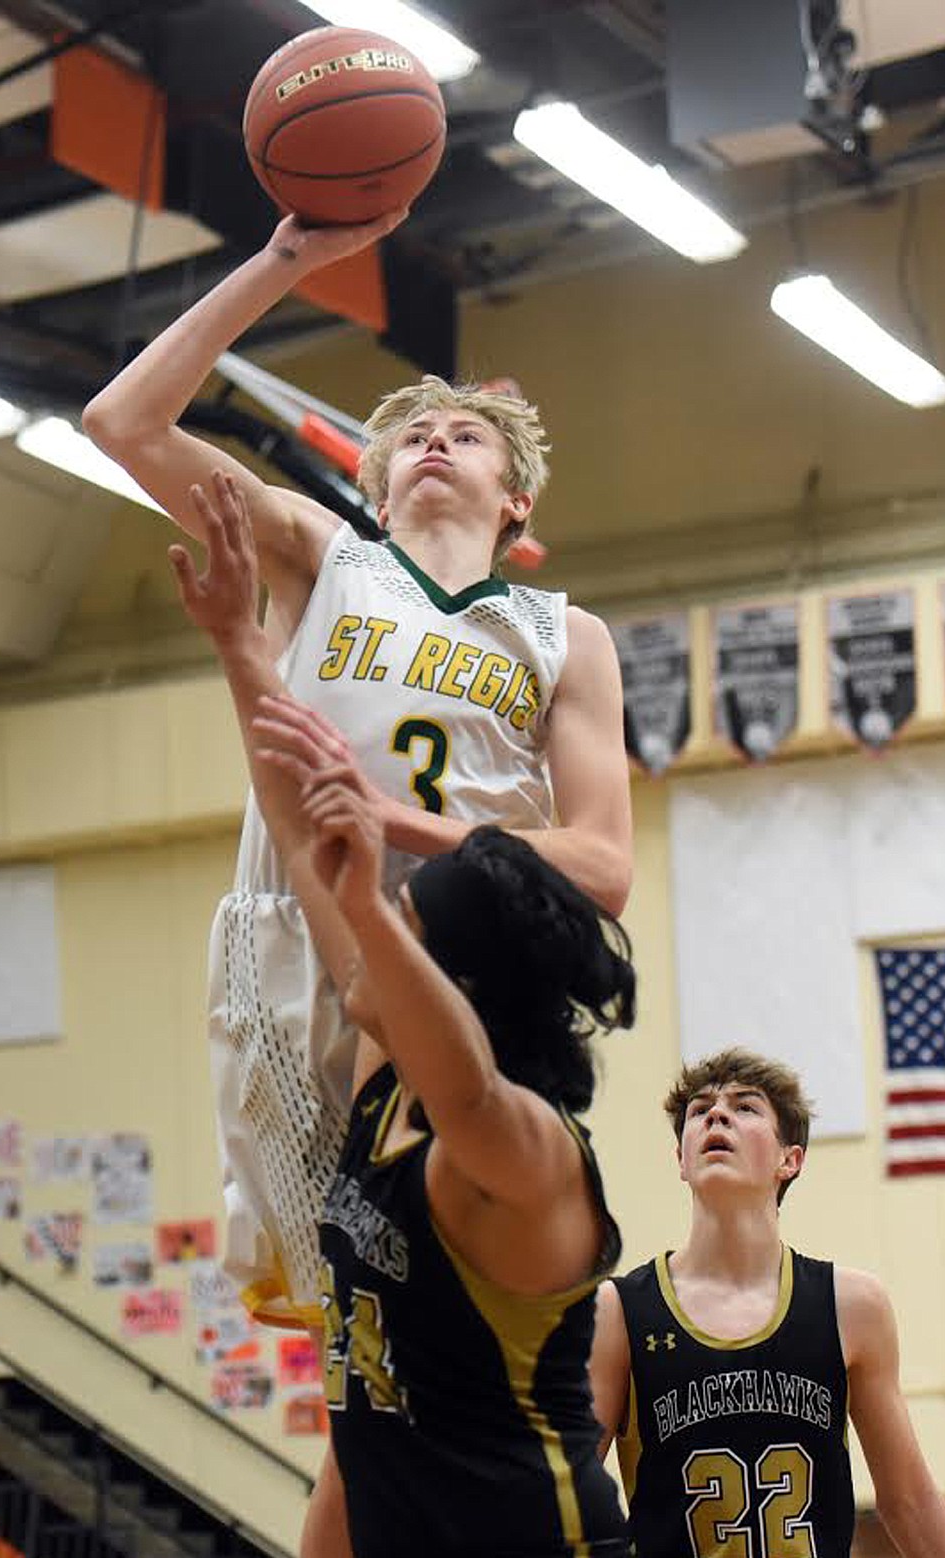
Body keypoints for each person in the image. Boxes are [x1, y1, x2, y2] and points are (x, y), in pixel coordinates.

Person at [85, 209, 633, 1329]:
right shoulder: (321, 554)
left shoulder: (564, 633)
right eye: (413, 437)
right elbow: (122, 421)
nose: (436, 440)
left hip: (465, 961)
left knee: (470, 1297)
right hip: (296, 936)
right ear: (376, 491)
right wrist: (285, 261)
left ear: (517, 500)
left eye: (465, 436)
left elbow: (605, 867)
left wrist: (398, 824)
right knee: (353, 1328)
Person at [171, 464, 649, 1558]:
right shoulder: (392, 1082)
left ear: (458, 972)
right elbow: (302, 852)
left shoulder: (517, 1149)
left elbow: (456, 1068)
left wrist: (380, 847)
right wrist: (244, 645)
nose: (387, 914)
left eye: (410, 917)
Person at [590, 1048, 945, 1558]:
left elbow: (909, 1501)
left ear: (789, 1159)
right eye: (699, 1110)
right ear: (680, 1159)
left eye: (745, 1107)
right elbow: (570, 1494)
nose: (716, 1116)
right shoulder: (619, 1310)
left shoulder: (852, 1305)